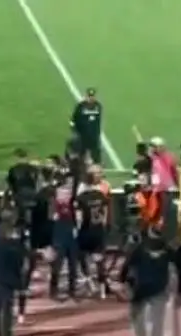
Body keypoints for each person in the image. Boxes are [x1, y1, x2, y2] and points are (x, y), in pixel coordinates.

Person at [119, 226, 172, 336]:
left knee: (136, 314)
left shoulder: (139, 248)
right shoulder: (167, 249)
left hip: (141, 287)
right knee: (158, 318)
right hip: (160, 286)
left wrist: (122, 280)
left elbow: (127, 265)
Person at [0, 217, 27, 336]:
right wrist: (20, 285)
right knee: (6, 310)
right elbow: (17, 266)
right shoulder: (14, 247)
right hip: (6, 282)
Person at [75, 165, 111, 298]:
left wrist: (77, 229)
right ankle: (102, 291)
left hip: (85, 231)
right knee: (100, 260)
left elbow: (79, 217)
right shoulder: (101, 194)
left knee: (82, 256)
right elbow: (105, 214)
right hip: (98, 230)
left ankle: (90, 282)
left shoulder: (81, 196)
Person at [49, 174, 80, 302]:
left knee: (73, 265)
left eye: (68, 194)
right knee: (57, 265)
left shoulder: (73, 205)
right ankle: (53, 290)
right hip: (59, 237)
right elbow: (52, 218)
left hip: (71, 238)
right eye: (63, 194)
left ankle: (72, 291)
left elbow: (77, 219)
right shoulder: (54, 206)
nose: (66, 196)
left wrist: (77, 225)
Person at [70, 87, 102, 164]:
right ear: (86, 96)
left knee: (95, 153)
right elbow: (74, 119)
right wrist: (75, 130)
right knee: (81, 153)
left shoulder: (98, 106)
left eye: (92, 96)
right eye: (89, 96)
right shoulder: (80, 106)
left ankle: (96, 165)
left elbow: (98, 121)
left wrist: (97, 132)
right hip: (82, 134)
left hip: (94, 134)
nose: (91, 98)